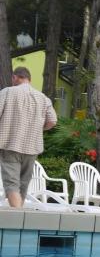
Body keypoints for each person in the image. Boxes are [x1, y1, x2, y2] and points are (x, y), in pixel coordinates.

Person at [0, 67, 57, 207]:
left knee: (12, 184)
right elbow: (52, 121)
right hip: (32, 147)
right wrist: (38, 129)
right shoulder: (43, 98)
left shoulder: (7, 92)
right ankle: (21, 214)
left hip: (10, 144)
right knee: (23, 184)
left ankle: (18, 216)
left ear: (15, 77)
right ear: (29, 79)